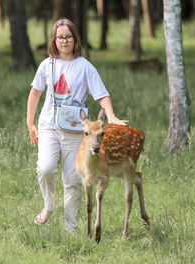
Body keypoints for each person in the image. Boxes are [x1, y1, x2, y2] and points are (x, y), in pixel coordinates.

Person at [27, 18, 127, 232]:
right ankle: (49, 207)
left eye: (68, 37)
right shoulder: (47, 65)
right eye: (60, 37)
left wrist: (111, 116)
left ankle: (70, 228)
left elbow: (102, 95)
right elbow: (35, 94)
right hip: (48, 127)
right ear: (54, 40)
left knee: (72, 178)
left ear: (75, 39)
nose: (64, 41)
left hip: (73, 131)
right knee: (45, 168)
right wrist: (30, 124)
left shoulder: (85, 67)